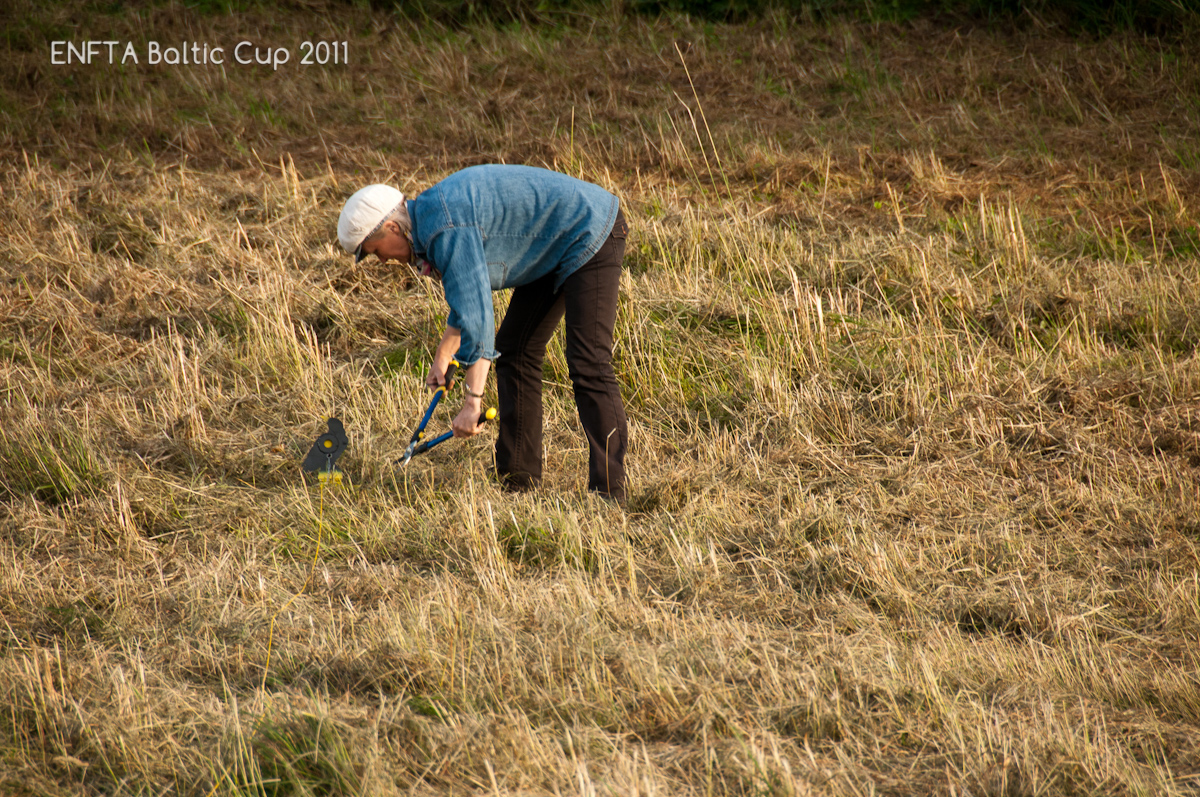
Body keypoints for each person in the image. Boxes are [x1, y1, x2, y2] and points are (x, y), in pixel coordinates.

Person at [337, 164, 628, 503]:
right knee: (516, 350)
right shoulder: (433, 220)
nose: (382, 261)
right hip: (553, 241)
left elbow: (479, 320)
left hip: (588, 229)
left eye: (374, 251)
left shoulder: (443, 228)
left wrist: (472, 403)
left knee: (588, 362)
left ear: (391, 227)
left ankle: (609, 494)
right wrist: (443, 356)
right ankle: (518, 478)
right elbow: (469, 297)